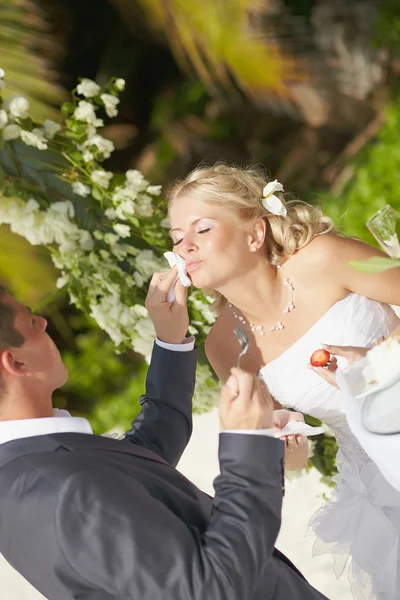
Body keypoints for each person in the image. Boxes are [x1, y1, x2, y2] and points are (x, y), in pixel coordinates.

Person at [0, 270, 328, 600]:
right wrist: (247, 449)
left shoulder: (28, 466)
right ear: (15, 361)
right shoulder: (62, 490)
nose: (43, 323)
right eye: (30, 323)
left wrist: (170, 341)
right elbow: (211, 589)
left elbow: (142, 458)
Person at [167, 162, 400, 600]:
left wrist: (379, 360)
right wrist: (284, 448)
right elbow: (293, 457)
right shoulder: (223, 345)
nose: (186, 247)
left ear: (254, 235)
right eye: (177, 239)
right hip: (382, 474)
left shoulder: (323, 258)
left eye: (201, 230)